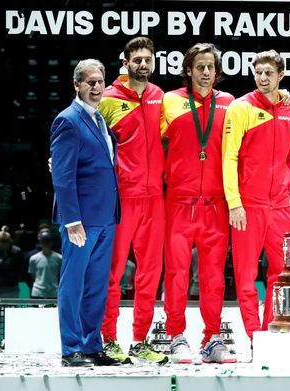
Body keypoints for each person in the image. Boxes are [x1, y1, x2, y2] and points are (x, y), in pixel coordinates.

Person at [161, 43, 236, 364]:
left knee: (213, 276)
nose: (205, 72)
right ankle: (176, 335)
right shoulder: (170, 101)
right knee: (177, 273)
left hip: (216, 206)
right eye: (199, 66)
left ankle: (212, 338)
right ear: (188, 70)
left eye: (210, 67)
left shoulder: (230, 104)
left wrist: (285, 96)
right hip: (178, 203)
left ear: (217, 73)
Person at [97, 37, 168, 365]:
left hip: (155, 198)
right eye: (136, 59)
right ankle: (108, 338)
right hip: (122, 198)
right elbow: (88, 139)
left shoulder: (159, 97)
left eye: (147, 59)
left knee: (150, 273)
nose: (143, 65)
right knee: (113, 272)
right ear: (125, 62)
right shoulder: (108, 99)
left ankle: (140, 340)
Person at [223, 50, 290, 343]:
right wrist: (235, 203)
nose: (263, 78)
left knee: (282, 275)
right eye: (258, 73)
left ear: (281, 76)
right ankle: (254, 336)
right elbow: (228, 157)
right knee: (245, 275)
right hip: (248, 206)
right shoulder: (240, 107)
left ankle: (270, 334)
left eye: (269, 73)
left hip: (280, 205)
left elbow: (288, 158)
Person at [50, 58, 121, 367]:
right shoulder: (68, 120)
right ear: (76, 85)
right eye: (89, 81)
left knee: (95, 285)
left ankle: (92, 345)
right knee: (74, 284)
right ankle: (71, 349)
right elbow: (62, 176)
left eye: (99, 81)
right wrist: (72, 220)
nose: (95, 86)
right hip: (81, 221)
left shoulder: (99, 119)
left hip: (105, 217)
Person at [27, 227, 62, 303]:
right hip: (37, 293)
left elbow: (60, 276)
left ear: (51, 242)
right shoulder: (33, 258)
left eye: (48, 241)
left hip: (54, 293)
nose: (46, 243)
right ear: (41, 242)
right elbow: (32, 278)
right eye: (44, 241)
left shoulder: (59, 258)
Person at [0, 226, 27, 300]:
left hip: (13, 288)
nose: (4, 244)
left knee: (11, 310)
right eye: (2, 242)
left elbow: (22, 269)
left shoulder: (17, 252)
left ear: (10, 241)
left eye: (6, 242)